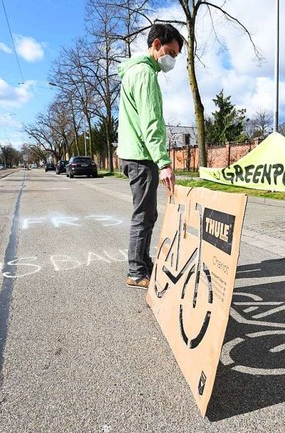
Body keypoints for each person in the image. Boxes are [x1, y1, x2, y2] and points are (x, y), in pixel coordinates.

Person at [117, 23, 183, 289]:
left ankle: (142, 263)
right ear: (156, 44)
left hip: (133, 155)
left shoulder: (133, 72)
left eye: (176, 56)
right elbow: (151, 123)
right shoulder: (145, 74)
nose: (172, 60)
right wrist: (164, 163)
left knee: (147, 214)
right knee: (143, 216)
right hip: (142, 158)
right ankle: (136, 271)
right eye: (171, 52)